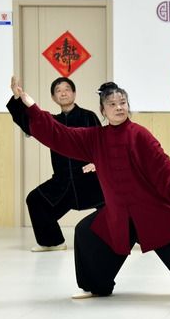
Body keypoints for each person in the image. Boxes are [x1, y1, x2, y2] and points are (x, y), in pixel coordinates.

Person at [15, 80, 170, 299]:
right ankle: (97, 286)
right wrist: (31, 106)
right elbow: (59, 134)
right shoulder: (95, 138)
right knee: (87, 233)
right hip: (119, 214)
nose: (119, 107)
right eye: (112, 104)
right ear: (103, 110)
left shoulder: (139, 134)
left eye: (123, 103)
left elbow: (160, 161)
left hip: (152, 210)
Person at [8, 76, 104, 252]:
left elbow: (101, 143)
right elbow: (27, 122)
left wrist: (96, 162)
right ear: (53, 97)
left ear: (74, 93)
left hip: (90, 179)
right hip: (63, 183)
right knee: (35, 200)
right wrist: (16, 97)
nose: (63, 93)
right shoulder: (51, 122)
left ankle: (138, 236)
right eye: (58, 91)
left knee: (116, 202)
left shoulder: (88, 116)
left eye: (67, 89)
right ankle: (52, 242)